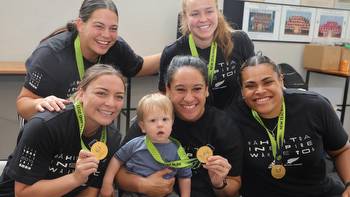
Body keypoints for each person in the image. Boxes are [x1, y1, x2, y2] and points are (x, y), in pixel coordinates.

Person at [117, 56, 243, 197]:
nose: (189, 98)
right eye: (180, 89)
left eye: (197, 89)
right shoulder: (152, 118)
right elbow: (118, 172)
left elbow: (234, 186)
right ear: (168, 90)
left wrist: (219, 183)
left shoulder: (224, 126)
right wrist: (143, 185)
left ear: (206, 90)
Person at [227, 55, 350, 197]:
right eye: (250, 85)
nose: (260, 90)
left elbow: (342, 150)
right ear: (242, 91)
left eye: (267, 82)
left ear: (281, 80)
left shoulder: (315, 106)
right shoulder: (233, 118)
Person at [17, 0, 160, 120]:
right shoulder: (51, 54)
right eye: (99, 26)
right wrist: (41, 103)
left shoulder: (115, 46)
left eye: (113, 28)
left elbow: (138, 67)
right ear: (80, 24)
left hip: (90, 129)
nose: (106, 35)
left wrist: (174, 49)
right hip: (50, 131)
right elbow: (23, 104)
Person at [0, 64, 125, 197]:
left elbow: (90, 191)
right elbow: (23, 193)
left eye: (119, 96)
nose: (111, 103)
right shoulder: (45, 126)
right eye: (101, 93)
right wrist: (75, 179)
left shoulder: (112, 137)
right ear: (81, 94)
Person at [158, 0, 255, 110]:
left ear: (217, 12)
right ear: (185, 16)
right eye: (195, 14)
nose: (203, 19)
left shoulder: (240, 41)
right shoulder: (171, 52)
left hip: (235, 122)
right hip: (193, 122)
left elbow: (255, 83)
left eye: (209, 11)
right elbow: (165, 98)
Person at [100, 93, 192, 197]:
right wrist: (107, 183)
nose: (160, 125)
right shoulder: (135, 144)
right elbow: (116, 159)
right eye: (153, 120)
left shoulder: (177, 150)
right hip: (134, 193)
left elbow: (185, 176)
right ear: (143, 126)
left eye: (165, 119)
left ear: (172, 122)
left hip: (165, 193)